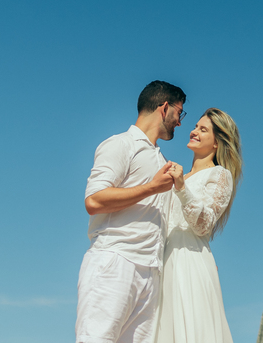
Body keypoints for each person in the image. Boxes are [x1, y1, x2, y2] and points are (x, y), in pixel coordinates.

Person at [78, 81, 186, 343]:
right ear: (164, 108)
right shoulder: (120, 144)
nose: (180, 123)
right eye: (179, 113)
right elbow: (94, 200)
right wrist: (151, 188)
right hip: (115, 262)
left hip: (151, 272)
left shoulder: (161, 160)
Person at [155, 108, 243, 343]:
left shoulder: (220, 175)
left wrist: (182, 188)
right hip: (163, 260)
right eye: (195, 126)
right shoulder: (178, 175)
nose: (193, 131)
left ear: (217, 143)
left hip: (188, 262)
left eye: (203, 130)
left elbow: (203, 225)